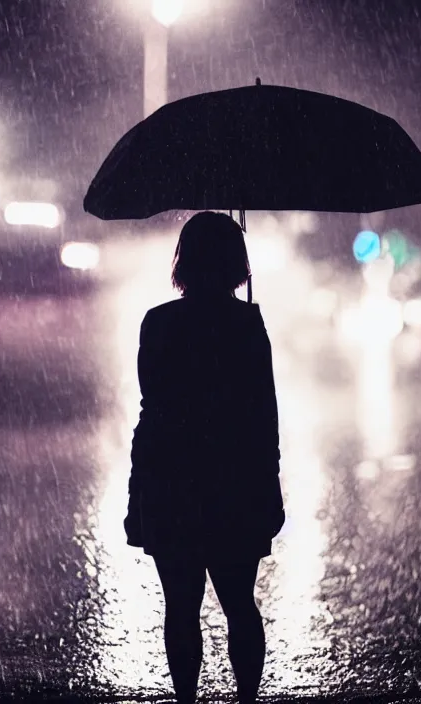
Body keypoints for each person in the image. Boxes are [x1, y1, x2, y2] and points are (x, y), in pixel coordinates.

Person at [124, 211, 285, 704]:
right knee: (241, 604)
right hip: (234, 483)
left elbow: (152, 410)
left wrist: (139, 494)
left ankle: (187, 702)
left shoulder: (159, 323)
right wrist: (269, 486)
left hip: (171, 482)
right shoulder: (247, 324)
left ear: (184, 261)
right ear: (237, 263)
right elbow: (263, 417)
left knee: (180, 608)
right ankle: (247, 700)